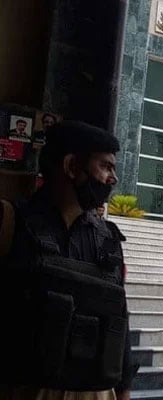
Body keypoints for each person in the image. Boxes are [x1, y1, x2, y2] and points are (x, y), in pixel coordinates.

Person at [0, 121, 137, 400]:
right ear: (72, 165)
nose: (113, 179)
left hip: (97, 392)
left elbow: (120, 318)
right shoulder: (10, 222)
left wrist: (123, 389)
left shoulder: (108, 239)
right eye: (106, 166)